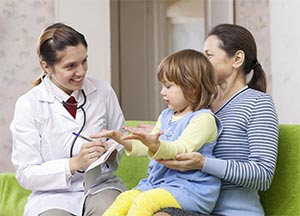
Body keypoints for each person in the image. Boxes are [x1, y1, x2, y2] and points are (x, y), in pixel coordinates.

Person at [154, 24, 279, 216]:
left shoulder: (258, 103)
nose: (200, 62)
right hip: (191, 204)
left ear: (237, 59)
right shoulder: (200, 105)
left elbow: (263, 175)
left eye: (208, 55)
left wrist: (203, 163)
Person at [10, 22, 126, 216]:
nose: (81, 71)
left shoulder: (103, 91)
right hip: (52, 195)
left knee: (112, 211)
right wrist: (74, 164)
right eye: (71, 66)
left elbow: (120, 136)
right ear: (46, 66)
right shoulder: (29, 104)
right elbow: (26, 173)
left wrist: (112, 152)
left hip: (100, 186)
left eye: (84, 61)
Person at [91, 49, 223, 216]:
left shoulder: (204, 119)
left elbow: (180, 149)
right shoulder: (166, 115)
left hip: (191, 190)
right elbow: (146, 145)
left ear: (192, 88)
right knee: (124, 199)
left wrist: (155, 144)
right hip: (158, 185)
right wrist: (122, 140)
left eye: (168, 86)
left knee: (144, 202)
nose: (162, 92)